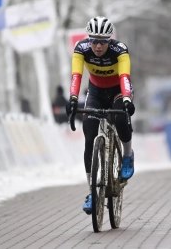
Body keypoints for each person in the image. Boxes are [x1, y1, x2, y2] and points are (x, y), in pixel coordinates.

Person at [66, 16, 135, 215]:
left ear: (109, 40)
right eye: (94, 41)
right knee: (89, 134)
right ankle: (91, 192)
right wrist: (72, 99)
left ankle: (128, 156)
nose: (97, 46)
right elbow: (76, 76)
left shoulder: (119, 50)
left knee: (121, 119)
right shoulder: (81, 49)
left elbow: (125, 77)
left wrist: (128, 100)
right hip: (95, 93)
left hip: (118, 92)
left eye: (102, 42)